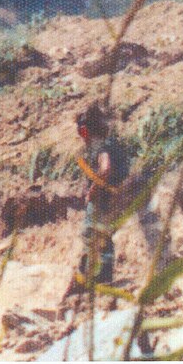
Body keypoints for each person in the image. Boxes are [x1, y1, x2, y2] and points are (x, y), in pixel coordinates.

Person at [75, 102, 129, 286]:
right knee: (102, 236)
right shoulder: (111, 144)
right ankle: (103, 276)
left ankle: (90, 278)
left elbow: (105, 169)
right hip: (113, 198)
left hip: (101, 199)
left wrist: (93, 190)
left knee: (91, 235)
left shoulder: (100, 147)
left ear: (84, 130)